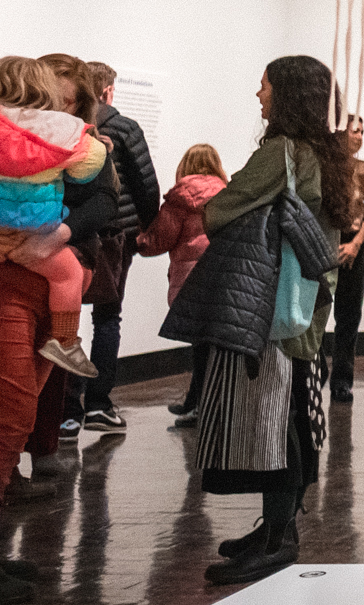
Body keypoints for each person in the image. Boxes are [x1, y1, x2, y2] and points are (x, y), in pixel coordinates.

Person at [191, 55, 350, 584]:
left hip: (271, 307)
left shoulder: (281, 151)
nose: (257, 95)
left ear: (285, 95)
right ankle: (278, 527)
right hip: (306, 304)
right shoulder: (327, 153)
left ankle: (279, 537)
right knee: (292, 417)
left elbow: (220, 210)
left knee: (275, 423)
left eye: (263, 86)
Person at [0, 56, 109, 377]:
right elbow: (88, 172)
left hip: (38, 246)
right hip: (38, 241)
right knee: (67, 275)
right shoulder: (72, 136)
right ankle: (65, 340)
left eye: (67, 102)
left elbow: (103, 202)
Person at [68, 60, 159, 431]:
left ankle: (67, 413)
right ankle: (99, 405)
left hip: (72, 234)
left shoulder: (68, 125)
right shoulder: (124, 128)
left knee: (66, 320)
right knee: (107, 318)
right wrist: (145, 227)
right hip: (115, 237)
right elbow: (146, 185)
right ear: (107, 91)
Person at [136, 142, 229, 425]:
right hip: (223, 276)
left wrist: (137, 240)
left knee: (200, 347)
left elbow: (160, 239)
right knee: (211, 346)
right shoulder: (228, 194)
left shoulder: (181, 197)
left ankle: (200, 408)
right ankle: (198, 403)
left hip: (190, 279)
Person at [329, 116, 364, 403]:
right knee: (311, 317)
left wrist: (356, 244)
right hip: (325, 246)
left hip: (355, 249)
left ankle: (341, 382)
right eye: (354, 131)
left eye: (362, 131)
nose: (360, 136)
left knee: (348, 319)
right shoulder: (324, 170)